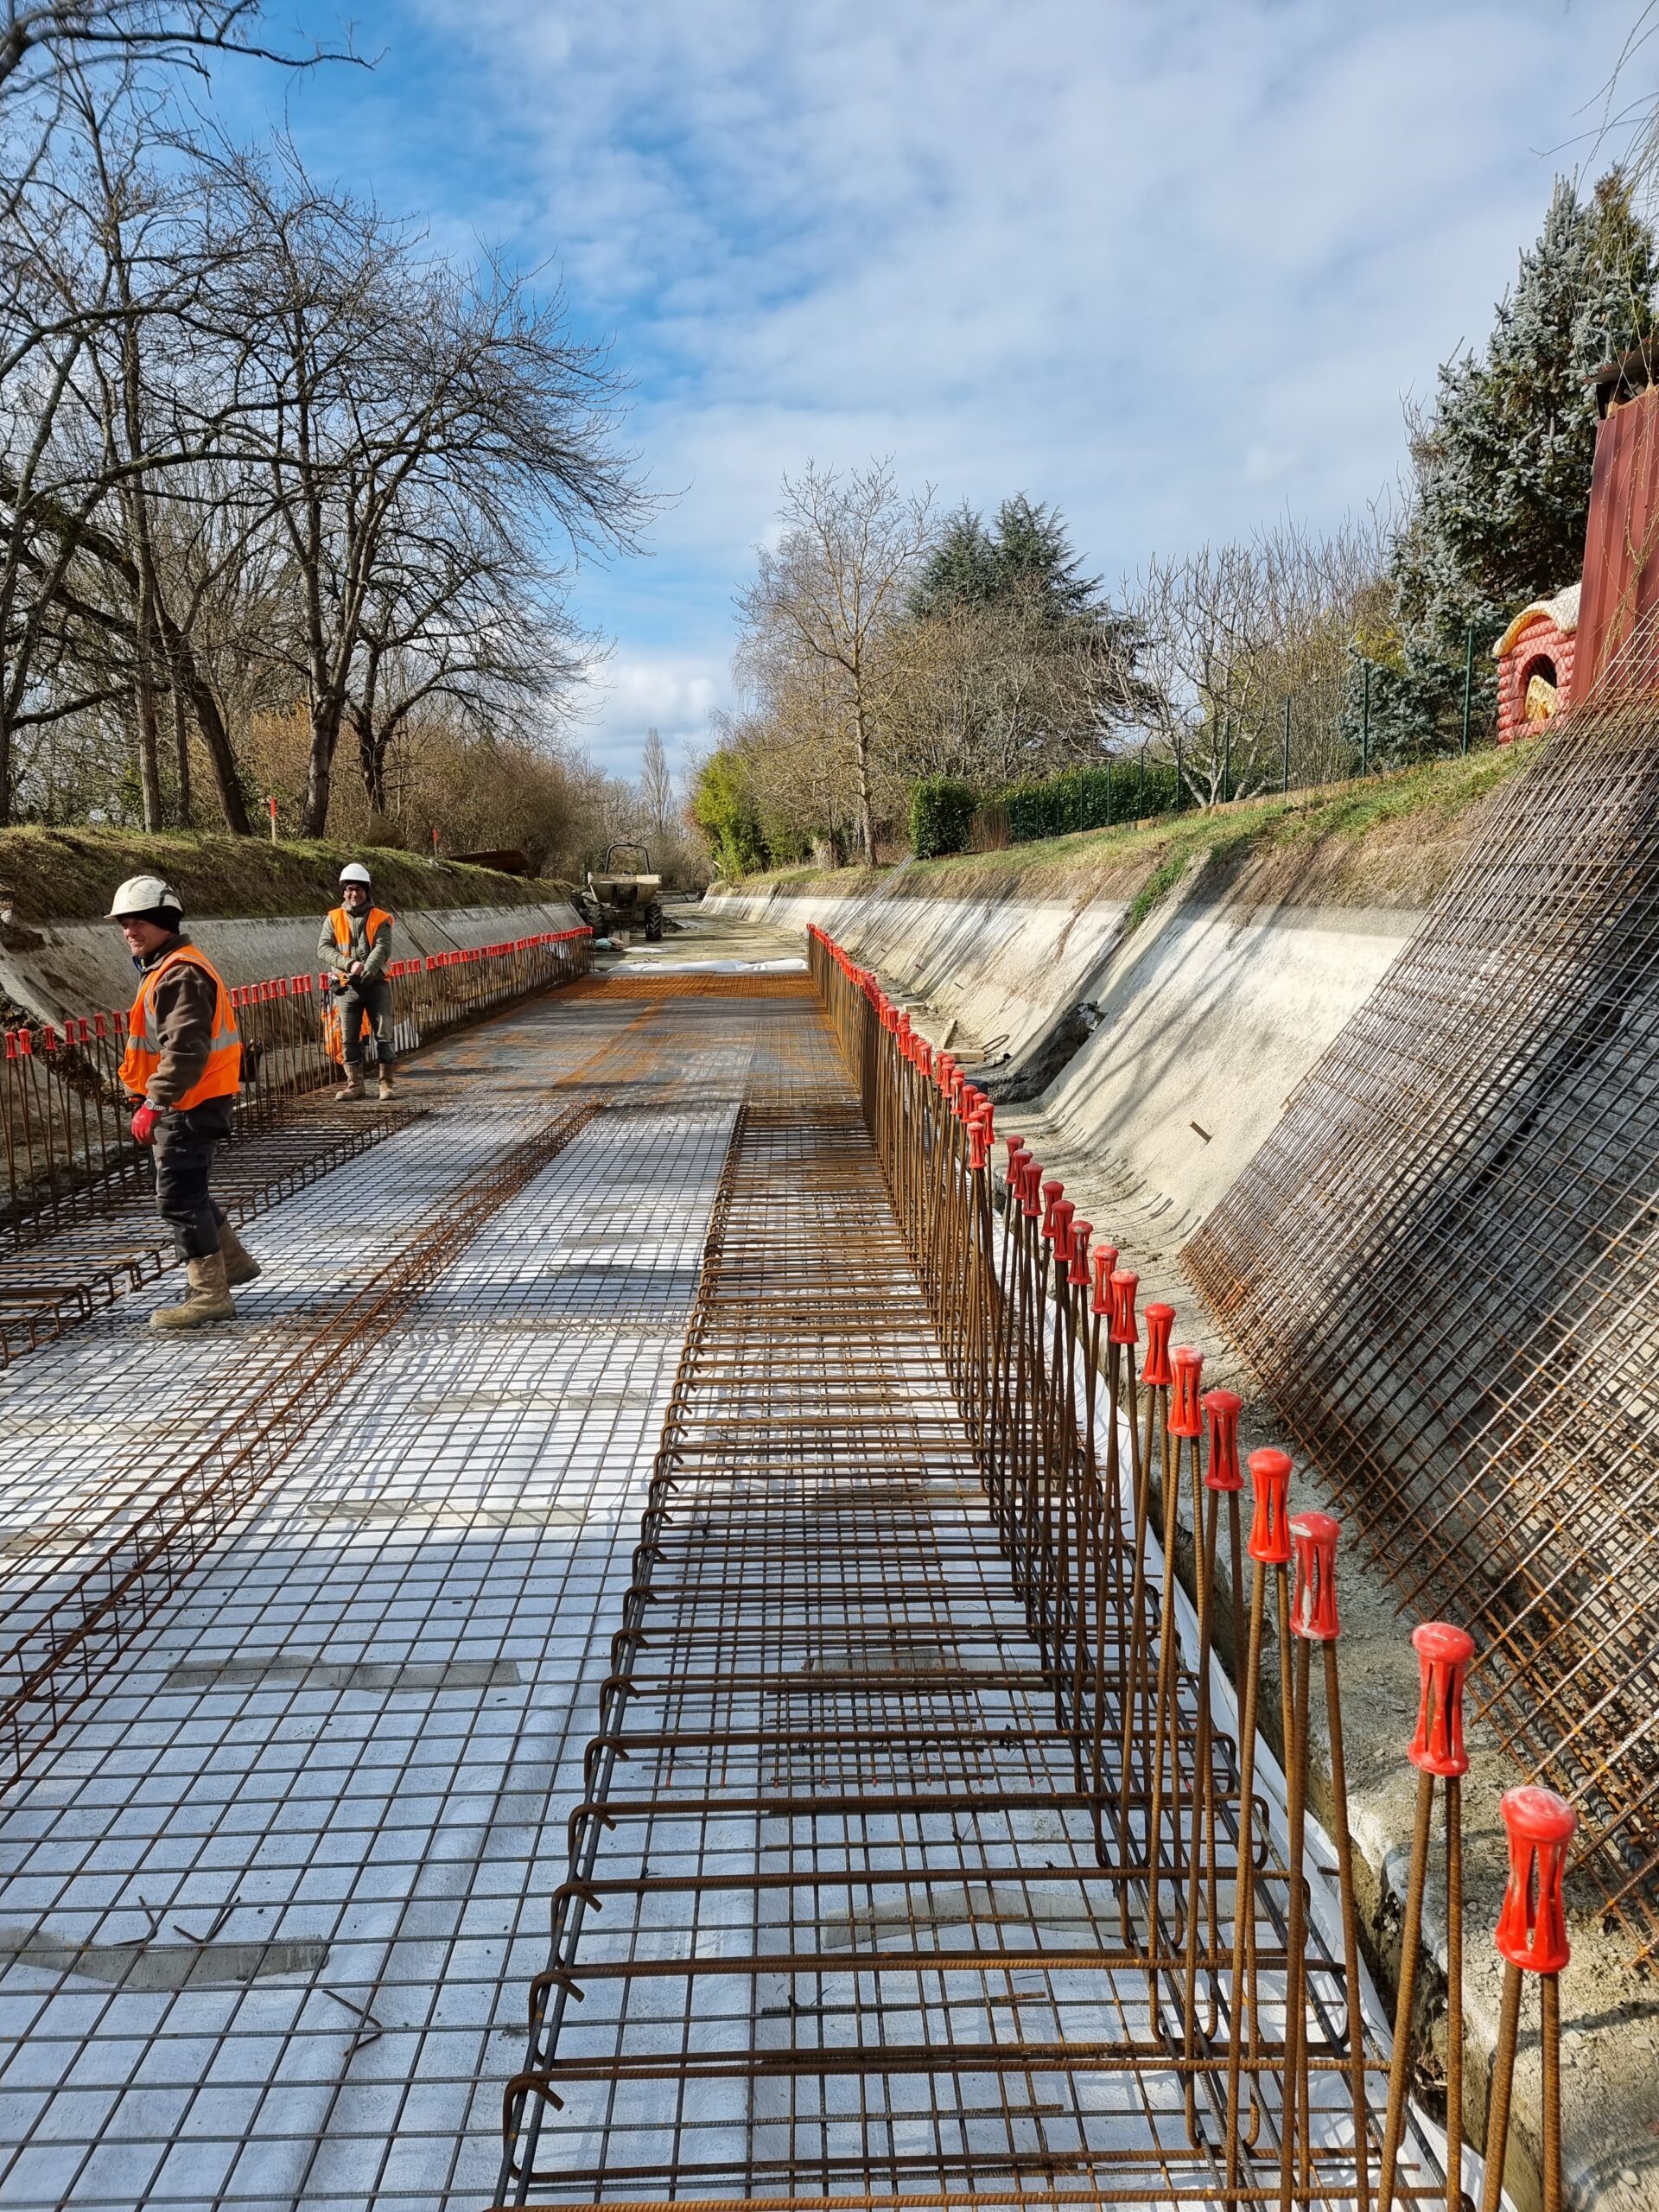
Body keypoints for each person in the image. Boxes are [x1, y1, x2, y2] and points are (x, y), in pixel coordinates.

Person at [110, 874, 260, 1330]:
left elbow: (185, 1050)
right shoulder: (169, 966)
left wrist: (154, 1102)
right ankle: (232, 1263)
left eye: (138, 921)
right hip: (193, 1101)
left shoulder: (180, 973)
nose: (129, 930)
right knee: (186, 1187)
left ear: (165, 923)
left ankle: (209, 1294)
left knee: (178, 1196)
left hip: (188, 1104)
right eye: (123, 923)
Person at [320, 863, 397, 1103]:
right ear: (344, 891)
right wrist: (349, 964)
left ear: (367, 891)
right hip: (347, 987)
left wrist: (367, 969)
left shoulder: (381, 918)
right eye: (350, 889)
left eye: (359, 889)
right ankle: (355, 1085)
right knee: (349, 1038)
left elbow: (383, 947)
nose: (355, 894)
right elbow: (324, 948)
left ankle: (386, 1085)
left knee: (383, 1034)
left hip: (376, 985)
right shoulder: (333, 918)